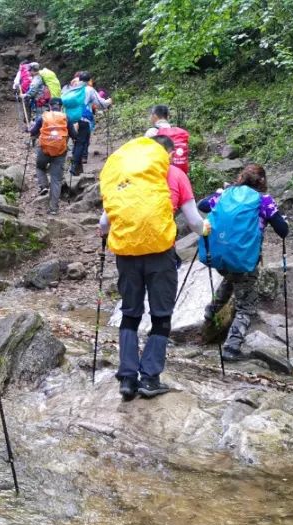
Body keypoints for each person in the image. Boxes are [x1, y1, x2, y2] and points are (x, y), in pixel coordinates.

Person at [99, 133, 211, 401]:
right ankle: (149, 378)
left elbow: (104, 223)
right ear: (167, 154)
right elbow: (195, 222)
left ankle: (127, 378)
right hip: (160, 254)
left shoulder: (126, 176)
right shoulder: (175, 175)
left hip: (126, 254)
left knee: (130, 313)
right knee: (161, 315)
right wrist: (206, 229)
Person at [197, 163, 289, 361]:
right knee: (246, 305)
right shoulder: (264, 201)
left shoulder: (226, 194)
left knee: (231, 278)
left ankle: (210, 312)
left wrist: (219, 191)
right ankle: (232, 347)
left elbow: (202, 205)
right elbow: (283, 231)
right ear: (262, 181)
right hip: (244, 259)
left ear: (241, 177)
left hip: (219, 256)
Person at [61, 70, 112, 175]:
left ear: (79, 79)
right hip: (82, 120)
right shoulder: (89, 89)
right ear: (89, 80)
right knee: (80, 143)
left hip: (68, 120)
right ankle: (74, 168)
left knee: (73, 142)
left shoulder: (71, 88)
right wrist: (109, 101)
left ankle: (72, 167)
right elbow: (101, 104)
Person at [28, 97, 70, 215]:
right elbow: (74, 134)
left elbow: (33, 131)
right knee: (56, 180)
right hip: (60, 151)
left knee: (39, 167)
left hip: (44, 149)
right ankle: (53, 209)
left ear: (50, 106)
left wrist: (31, 130)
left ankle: (44, 186)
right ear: (61, 107)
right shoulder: (66, 118)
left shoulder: (43, 117)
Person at [149, 104, 190, 175]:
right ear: (167, 117)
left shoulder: (152, 132)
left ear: (154, 116)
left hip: (160, 173)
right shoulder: (178, 132)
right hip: (179, 172)